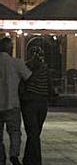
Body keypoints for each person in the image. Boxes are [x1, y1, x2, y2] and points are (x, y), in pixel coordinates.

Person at [0, 37, 31, 165]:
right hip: (12, 103)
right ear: (10, 49)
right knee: (15, 133)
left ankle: (1, 158)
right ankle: (14, 155)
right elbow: (28, 77)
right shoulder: (16, 63)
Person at [20, 46, 52, 165]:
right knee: (35, 132)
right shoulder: (45, 68)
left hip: (29, 102)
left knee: (32, 133)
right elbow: (49, 86)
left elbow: (22, 84)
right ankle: (33, 160)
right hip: (42, 102)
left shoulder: (26, 67)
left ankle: (31, 159)